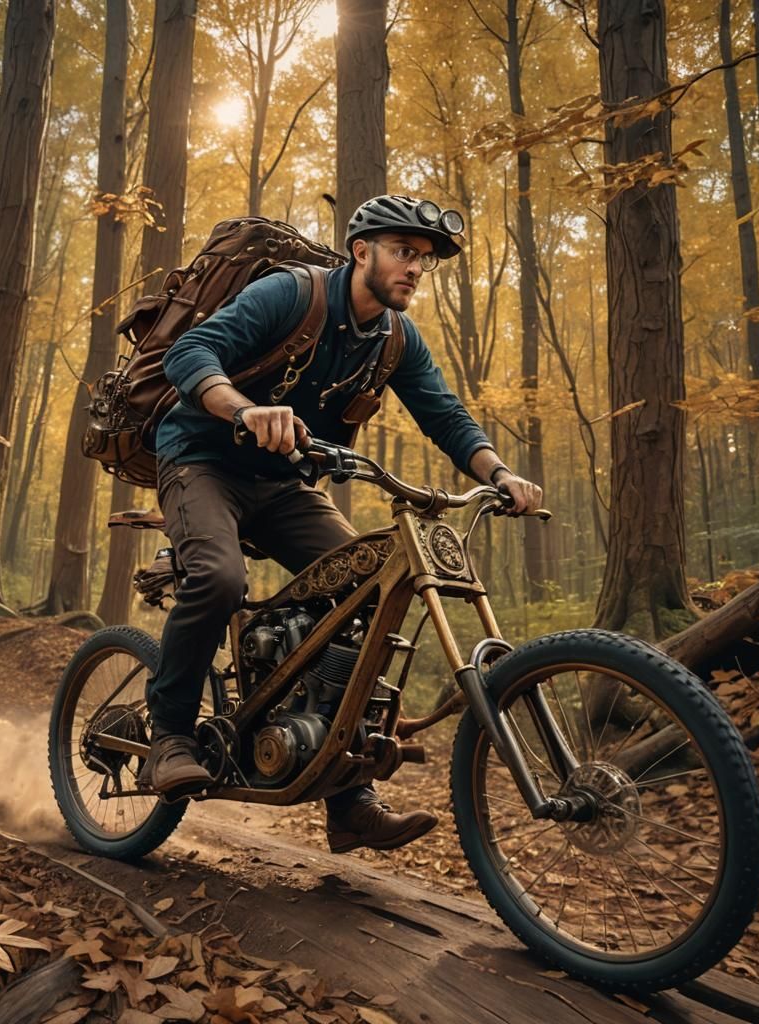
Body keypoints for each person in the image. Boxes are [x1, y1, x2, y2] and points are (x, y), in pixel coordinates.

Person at [138, 195, 543, 853]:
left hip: (286, 487)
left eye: (425, 259)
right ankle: (170, 737)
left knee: (367, 592)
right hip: (202, 462)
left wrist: (498, 474)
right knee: (217, 577)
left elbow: (446, 416)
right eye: (403, 252)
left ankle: (347, 796)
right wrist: (244, 410)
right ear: (363, 252)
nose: (416, 268)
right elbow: (192, 355)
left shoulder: (396, 339)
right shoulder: (290, 296)